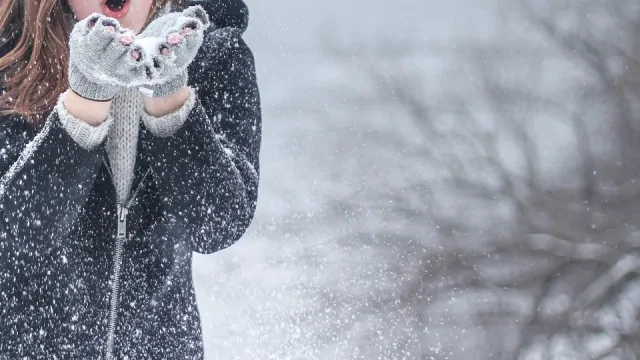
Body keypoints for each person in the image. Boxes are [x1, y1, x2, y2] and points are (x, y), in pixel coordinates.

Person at [0, 0, 261, 358]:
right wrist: (86, 99)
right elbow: (14, 235)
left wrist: (169, 94)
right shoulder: (11, 54)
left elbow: (218, 224)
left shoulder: (216, 54)